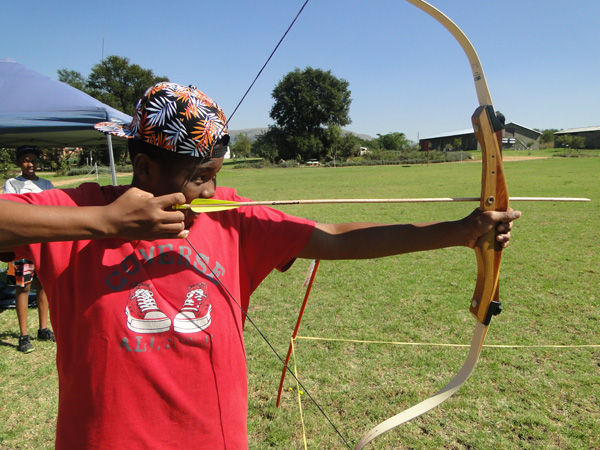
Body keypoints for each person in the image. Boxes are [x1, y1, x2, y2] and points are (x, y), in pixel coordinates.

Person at [0, 82, 520, 449]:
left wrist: (458, 232)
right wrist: (105, 222)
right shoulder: (76, 212)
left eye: (214, 174)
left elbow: (334, 237)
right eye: (199, 176)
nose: (210, 189)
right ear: (144, 167)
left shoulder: (230, 216)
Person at [3, 145, 55, 353]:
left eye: (33, 160)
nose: (30, 164)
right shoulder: (12, 184)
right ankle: (24, 335)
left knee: (43, 285)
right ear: (19, 162)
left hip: (43, 244)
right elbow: (12, 210)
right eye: (26, 160)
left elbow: (53, 208)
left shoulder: (46, 184)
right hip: (22, 246)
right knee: (23, 287)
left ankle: (43, 328)